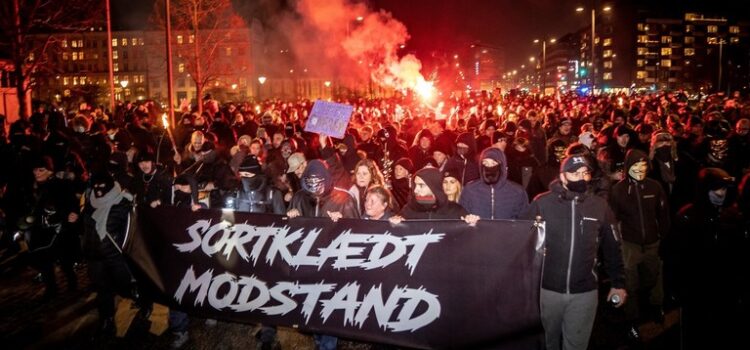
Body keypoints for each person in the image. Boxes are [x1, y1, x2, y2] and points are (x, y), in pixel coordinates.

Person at [523, 155, 627, 350]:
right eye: (574, 173)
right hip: (547, 291)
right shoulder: (542, 203)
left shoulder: (599, 206)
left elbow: (613, 246)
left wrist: (618, 283)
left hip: (584, 292)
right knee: (546, 343)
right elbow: (520, 237)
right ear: (563, 177)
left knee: (577, 345)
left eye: (584, 173)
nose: (580, 178)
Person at [287, 159, 359, 350]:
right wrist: (292, 217)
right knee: (311, 306)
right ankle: (319, 340)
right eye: (309, 181)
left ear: (326, 179)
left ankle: (327, 345)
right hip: (307, 263)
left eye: (318, 181)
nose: (314, 186)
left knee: (328, 307)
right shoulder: (300, 197)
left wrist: (343, 222)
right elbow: (289, 234)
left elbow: (359, 231)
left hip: (332, 265)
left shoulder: (343, 199)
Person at [609, 149, 670, 339]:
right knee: (630, 284)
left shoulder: (655, 187)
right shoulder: (618, 190)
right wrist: (616, 243)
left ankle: (655, 306)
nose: (640, 169)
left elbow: (664, 215)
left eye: (644, 165)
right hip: (629, 244)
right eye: (636, 165)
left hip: (652, 243)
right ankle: (632, 320)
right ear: (628, 167)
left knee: (654, 278)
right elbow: (612, 219)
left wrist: (662, 237)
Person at [81, 172, 135, 336]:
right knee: (102, 290)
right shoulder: (91, 202)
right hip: (95, 257)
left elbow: (131, 229)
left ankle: (141, 301)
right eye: (95, 186)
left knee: (125, 287)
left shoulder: (122, 202)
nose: (98, 190)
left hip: (115, 257)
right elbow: (86, 229)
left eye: (102, 186)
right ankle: (107, 319)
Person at [391, 167, 479, 224]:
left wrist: (471, 222)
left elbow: (467, 239)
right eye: (415, 185)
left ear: (434, 187)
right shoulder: (409, 210)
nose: (416, 190)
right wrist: (394, 224)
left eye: (421, 185)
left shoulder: (455, 211)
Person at [459, 147, 529, 220]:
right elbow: (461, 217)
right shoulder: (470, 190)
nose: (489, 167)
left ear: (502, 166)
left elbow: (525, 221)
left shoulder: (517, 192)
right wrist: (467, 219)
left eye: (493, 163)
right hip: (479, 231)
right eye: (485, 163)